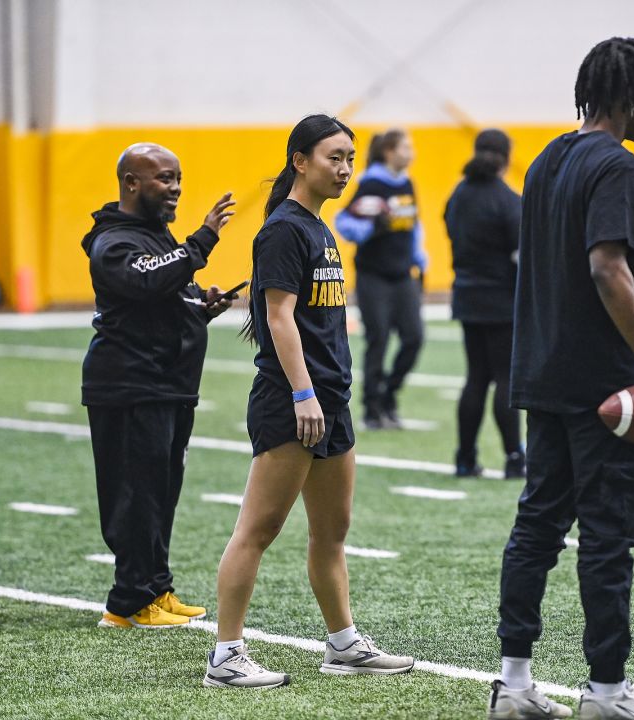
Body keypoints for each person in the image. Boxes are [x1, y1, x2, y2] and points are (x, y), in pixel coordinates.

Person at [489, 38, 634, 720]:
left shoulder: (546, 160)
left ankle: (514, 683)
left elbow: (579, 270)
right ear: (632, 95)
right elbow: (601, 267)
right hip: (602, 383)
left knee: (536, 526)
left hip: (544, 371)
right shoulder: (618, 164)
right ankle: (606, 691)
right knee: (607, 536)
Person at [205, 114, 414, 690]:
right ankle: (226, 656)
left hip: (333, 401)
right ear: (300, 160)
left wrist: (330, 393)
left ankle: (343, 644)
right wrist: (303, 393)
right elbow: (277, 316)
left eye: (349, 158)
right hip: (292, 400)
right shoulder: (283, 230)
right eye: (333, 157)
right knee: (259, 528)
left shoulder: (321, 228)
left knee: (332, 531)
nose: (344, 168)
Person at [80, 143, 238, 629]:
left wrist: (199, 306)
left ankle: (156, 588)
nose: (175, 189)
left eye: (178, 179)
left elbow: (165, 294)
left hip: (167, 384)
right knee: (135, 494)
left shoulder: (157, 238)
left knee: (160, 492)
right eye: (164, 179)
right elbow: (146, 281)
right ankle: (126, 604)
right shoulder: (115, 242)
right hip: (130, 386)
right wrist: (203, 240)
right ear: (131, 183)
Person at [444, 128, 525, 479]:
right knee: (506, 377)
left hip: (466, 295)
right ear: (506, 158)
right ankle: (513, 458)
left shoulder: (458, 196)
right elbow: (521, 255)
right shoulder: (508, 200)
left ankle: (464, 457)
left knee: (475, 377)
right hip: (502, 300)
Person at [334, 128, 427, 429]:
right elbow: (345, 222)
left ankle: (389, 393)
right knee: (379, 340)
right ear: (389, 151)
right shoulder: (371, 184)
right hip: (373, 276)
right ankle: (372, 408)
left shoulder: (407, 183)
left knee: (414, 338)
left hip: (403, 276)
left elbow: (414, 224)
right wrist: (373, 225)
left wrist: (419, 258)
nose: (411, 152)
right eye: (405, 147)